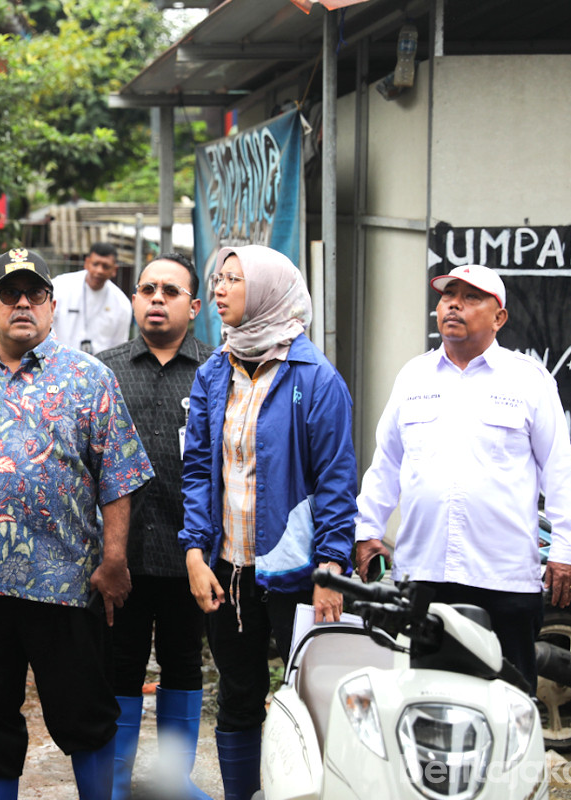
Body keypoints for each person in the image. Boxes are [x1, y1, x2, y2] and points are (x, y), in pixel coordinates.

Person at [0, 247, 154, 800]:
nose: (22, 304)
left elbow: (119, 478)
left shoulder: (90, 378)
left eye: (34, 294)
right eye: (9, 294)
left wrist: (114, 561)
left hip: (67, 584)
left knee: (86, 716)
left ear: (52, 305)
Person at [355, 263, 571, 692]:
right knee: (426, 700)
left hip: (503, 578)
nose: (453, 305)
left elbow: (560, 469)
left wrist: (566, 552)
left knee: (509, 700)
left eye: (470, 297)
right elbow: (386, 462)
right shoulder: (414, 376)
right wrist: (368, 529)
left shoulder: (528, 380)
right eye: (448, 296)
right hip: (424, 574)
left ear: (499, 317)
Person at [179, 245, 356, 800]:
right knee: (237, 695)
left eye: (235, 279)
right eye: (218, 278)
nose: (220, 289)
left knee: (310, 700)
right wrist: (195, 553)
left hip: (299, 574)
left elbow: (336, 481)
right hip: (228, 569)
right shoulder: (214, 372)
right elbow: (198, 470)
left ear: (268, 291)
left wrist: (331, 568)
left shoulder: (316, 378)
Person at [96, 253, 213, 800]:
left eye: (170, 291)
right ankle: (115, 785)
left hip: (191, 554)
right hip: (119, 556)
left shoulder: (218, 370)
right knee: (119, 666)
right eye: (147, 290)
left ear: (195, 305)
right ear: (134, 299)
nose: (157, 299)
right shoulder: (104, 371)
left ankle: (174, 784)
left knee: (183, 663)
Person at [51, 242, 132, 355]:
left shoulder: (121, 304)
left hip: (99, 364)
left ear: (114, 270)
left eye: (106, 266)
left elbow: (119, 348)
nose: (99, 271)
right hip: (57, 359)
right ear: (87, 263)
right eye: (95, 264)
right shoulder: (60, 286)